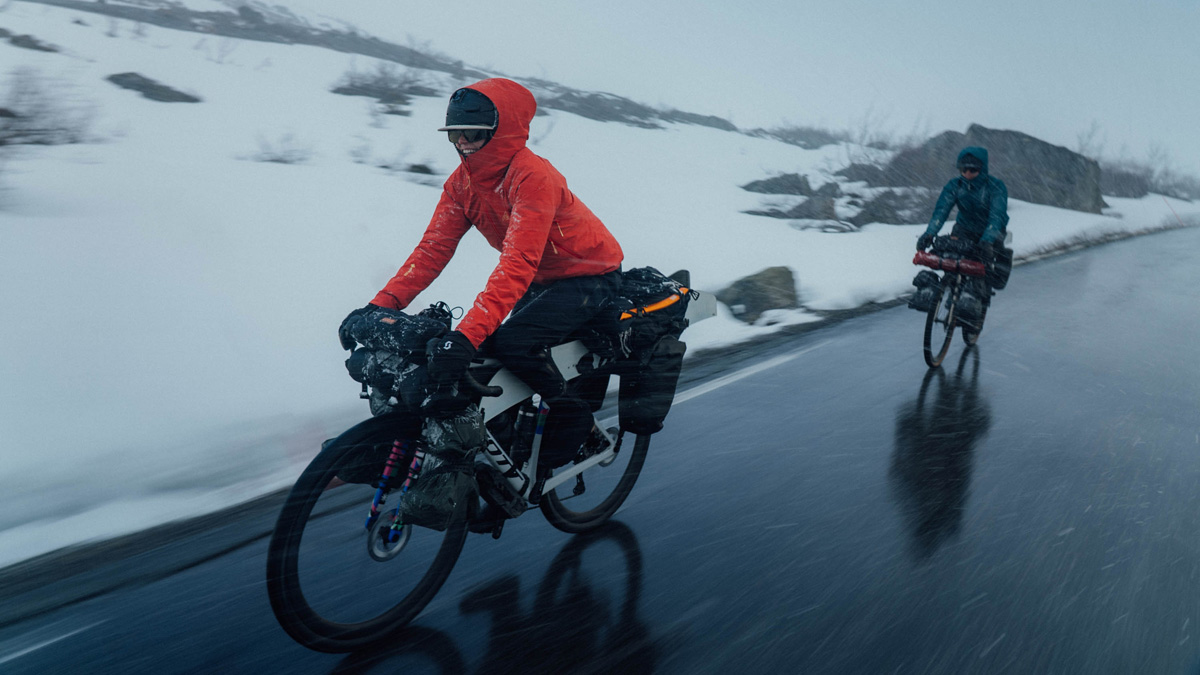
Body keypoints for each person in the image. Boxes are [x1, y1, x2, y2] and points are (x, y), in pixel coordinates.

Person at [339, 77, 624, 464]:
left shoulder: (532, 176)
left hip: (589, 276)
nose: (462, 143)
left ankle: (577, 420)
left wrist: (467, 335)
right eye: (454, 134)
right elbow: (431, 250)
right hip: (542, 280)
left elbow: (517, 262)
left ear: (502, 131)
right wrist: (378, 306)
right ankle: (513, 441)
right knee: (483, 359)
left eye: (472, 133)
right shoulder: (462, 184)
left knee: (511, 344)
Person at [911, 147, 1009, 319]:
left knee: (986, 261)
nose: (968, 173)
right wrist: (929, 234)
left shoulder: (995, 187)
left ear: (982, 168)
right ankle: (940, 288)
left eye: (973, 169)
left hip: (992, 230)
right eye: (964, 169)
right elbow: (941, 211)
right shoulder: (954, 186)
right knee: (950, 256)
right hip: (964, 228)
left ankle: (978, 297)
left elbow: (996, 216)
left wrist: (987, 240)